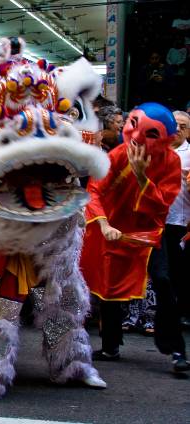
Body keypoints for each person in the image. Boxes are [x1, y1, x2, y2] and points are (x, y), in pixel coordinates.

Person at [81, 103, 189, 373]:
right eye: (133, 124)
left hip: (150, 233)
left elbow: (161, 205)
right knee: (109, 289)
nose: (138, 136)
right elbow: (94, 191)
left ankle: (176, 349)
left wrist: (142, 178)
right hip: (115, 231)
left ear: (167, 138)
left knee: (163, 282)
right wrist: (104, 224)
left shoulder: (171, 161)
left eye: (151, 134)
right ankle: (110, 345)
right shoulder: (116, 155)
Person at [167, 111, 190, 327]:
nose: (178, 129)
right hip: (156, 221)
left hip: (180, 221)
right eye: (175, 124)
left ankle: (181, 312)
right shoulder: (156, 150)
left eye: (184, 126)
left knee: (179, 270)